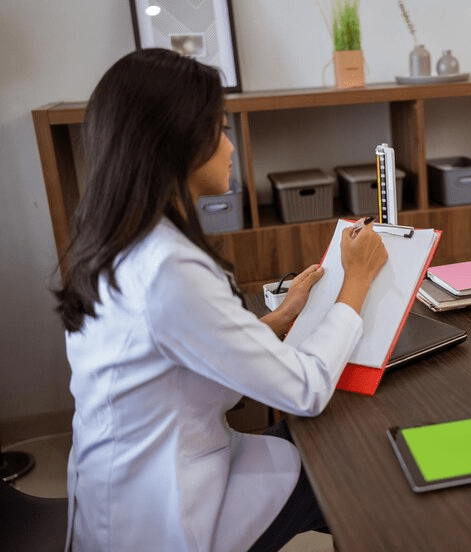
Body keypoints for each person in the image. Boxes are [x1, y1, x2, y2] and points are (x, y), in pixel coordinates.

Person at [54, 48, 388, 551]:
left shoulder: (112, 240)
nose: (231, 148)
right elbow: (305, 391)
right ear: (179, 140)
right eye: (221, 129)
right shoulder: (169, 268)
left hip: (126, 489)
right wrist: (356, 283)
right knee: (359, 471)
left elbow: (186, 354)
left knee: (315, 447)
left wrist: (279, 317)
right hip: (161, 521)